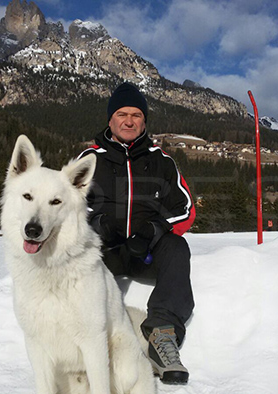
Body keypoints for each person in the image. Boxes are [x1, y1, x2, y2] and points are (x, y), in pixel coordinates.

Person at [78, 82, 196, 385]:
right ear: (110, 119)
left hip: (146, 253)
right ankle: (87, 340)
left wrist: (153, 230)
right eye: (121, 114)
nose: (129, 121)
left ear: (144, 121)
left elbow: (185, 208)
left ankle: (163, 337)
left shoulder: (161, 160)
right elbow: (65, 204)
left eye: (136, 115)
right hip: (105, 252)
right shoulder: (90, 159)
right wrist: (97, 224)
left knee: (176, 248)